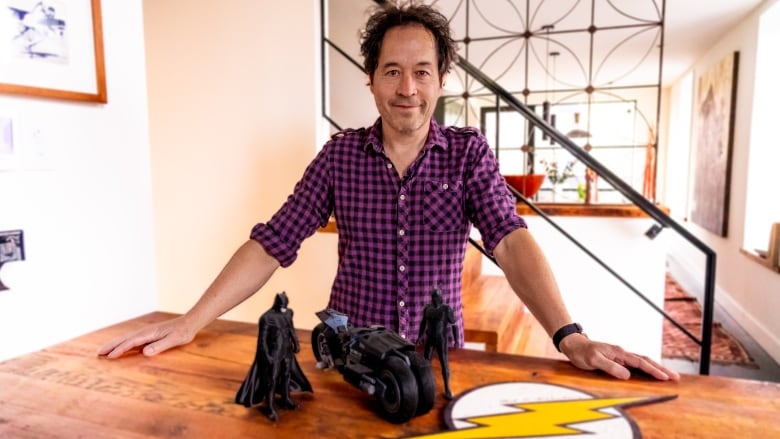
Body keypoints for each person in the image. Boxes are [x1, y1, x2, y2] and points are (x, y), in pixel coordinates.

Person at [99, 3, 679, 382]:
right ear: (371, 79)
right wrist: (191, 321)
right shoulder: (338, 156)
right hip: (344, 361)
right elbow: (272, 243)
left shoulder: (469, 153)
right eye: (392, 71)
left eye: (422, 71)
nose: (408, 88)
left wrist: (568, 335)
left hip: (434, 364)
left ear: (440, 80)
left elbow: (510, 238)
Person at [235, 292, 312, 421]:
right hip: (274, 352)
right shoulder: (267, 318)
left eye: (285, 305)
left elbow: (291, 329)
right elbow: (262, 340)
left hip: (287, 351)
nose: (284, 308)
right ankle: (270, 406)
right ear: (277, 304)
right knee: (272, 380)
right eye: (282, 305)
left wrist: (296, 343)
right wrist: (266, 355)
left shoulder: (288, 313)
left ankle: (286, 398)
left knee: (286, 375)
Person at [417, 288, 458, 399]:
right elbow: (423, 323)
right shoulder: (427, 308)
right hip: (429, 338)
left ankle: (447, 388)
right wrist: (419, 336)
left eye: (436, 297)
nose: (434, 299)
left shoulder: (446, 309)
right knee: (426, 363)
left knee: (444, 364)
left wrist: (456, 340)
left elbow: (454, 325)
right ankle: (425, 388)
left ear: (440, 297)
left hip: (441, 339)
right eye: (433, 297)